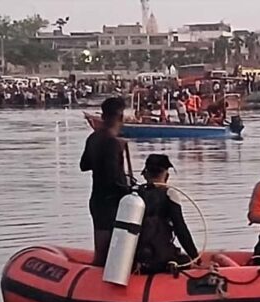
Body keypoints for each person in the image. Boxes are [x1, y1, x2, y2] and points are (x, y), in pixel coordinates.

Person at [79, 97, 132, 266]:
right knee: (108, 252)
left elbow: (84, 165)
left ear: (103, 116)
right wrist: (130, 192)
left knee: (102, 249)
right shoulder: (112, 142)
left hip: (97, 198)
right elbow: (113, 177)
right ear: (121, 117)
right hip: (111, 201)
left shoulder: (93, 138)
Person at [134, 154, 200, 274]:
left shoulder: (134, 196)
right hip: (160, 257)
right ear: (166, 175)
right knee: (185, 260)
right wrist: (196, 258)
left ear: (145, 174)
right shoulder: (170, 194)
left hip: (137, 257)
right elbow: (181, 229)